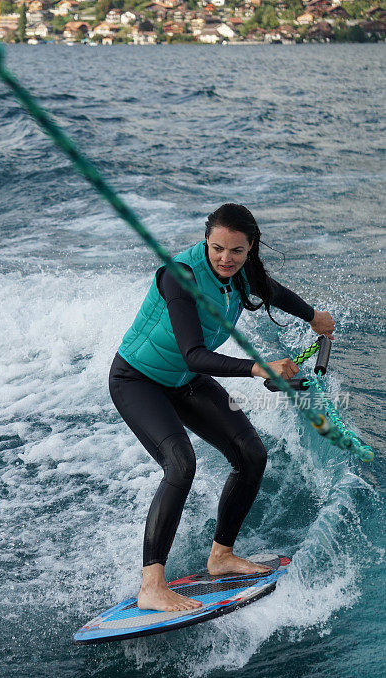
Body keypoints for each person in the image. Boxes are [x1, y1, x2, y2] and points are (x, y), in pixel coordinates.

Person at [109, 203, 335, 613]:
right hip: (138, 380)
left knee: (251, 454)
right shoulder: (180, 276)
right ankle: (152, 585)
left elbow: (273, 291)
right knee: (180, 464)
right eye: (217, 249)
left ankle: (221, 556)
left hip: (183, 383)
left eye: (236, 251)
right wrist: (258, 367)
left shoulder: (243, 270)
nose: (225, 259)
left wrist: (313, 316)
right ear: (206, 240)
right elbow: (194, 355)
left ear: (251, 248)